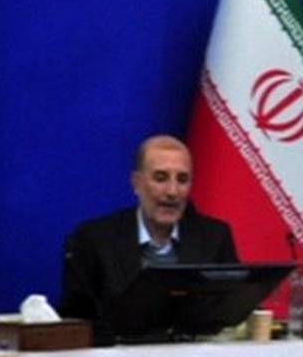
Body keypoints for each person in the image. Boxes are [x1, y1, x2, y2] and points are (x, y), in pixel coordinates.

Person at [58, 134, 237, 331]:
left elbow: (232, 310)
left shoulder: (214, 238)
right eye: (160, 178)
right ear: (136, 183)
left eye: (182, 179)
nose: (172, 191)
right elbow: (75, 322)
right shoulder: (94, 240)